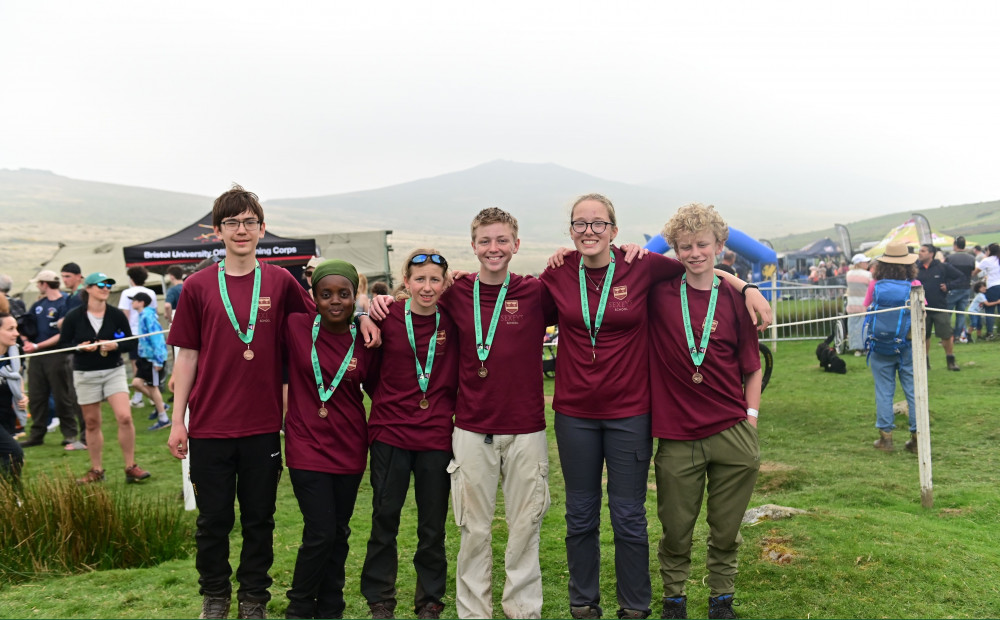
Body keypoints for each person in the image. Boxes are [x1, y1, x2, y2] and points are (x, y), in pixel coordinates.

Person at [539, 195, 769, 620]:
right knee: (585, 514)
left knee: (633, 516)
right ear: (571, 230)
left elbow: (703, 269)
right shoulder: (563, 272)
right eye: (580, 224)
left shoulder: (642, 267)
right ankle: (596, 602)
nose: (590, 231)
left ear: (614, 228)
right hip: (589, 416)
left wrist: (748, 287)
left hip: (635, 414)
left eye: (599, 223)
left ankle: (642, 605)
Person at [166, 185, 376, 620]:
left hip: (263, 425)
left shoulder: (279, 281)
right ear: (216, 231)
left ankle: (254, 598)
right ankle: (215, 595)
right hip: (208, 425)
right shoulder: (198, 286)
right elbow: (186, 356)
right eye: (231, 223)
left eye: (248, 222)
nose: (240, 231)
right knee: (213, 521)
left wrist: (364, 313)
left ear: (262, 228)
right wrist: (177, 421)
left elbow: (325, 315)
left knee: (260, 520)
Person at [372, 207, 554, 619]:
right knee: (474, 528)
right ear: (473, 246)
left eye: (502, 240)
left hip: (527, 428)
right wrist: (376, 306)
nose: (494, 248)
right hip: (471, 429)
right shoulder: (455, 292)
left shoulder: (535, 291)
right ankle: (474, 612)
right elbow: (415, 299)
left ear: (516, 245)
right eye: (485, 241)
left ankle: (522, 610)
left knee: (526, 525)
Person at [648, 204, 762, 620]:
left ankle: (721, 600)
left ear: (719, 245)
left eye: (702, 244)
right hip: (678, 435)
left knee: (726, 530)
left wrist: (750, 419)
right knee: (676, 530)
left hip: (732, 431)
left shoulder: (735, 296)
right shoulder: (658, 291)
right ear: (674, 250)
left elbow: (752, 365)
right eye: (685, 246)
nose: (695, 253)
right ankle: (674, 600)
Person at [361, 250, 458, 620]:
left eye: (435, 279)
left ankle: (429, 600)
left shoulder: (454, 320)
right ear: (407, 281)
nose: (427, 287)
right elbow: (370, 372)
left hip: (435, 437)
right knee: (385, 517)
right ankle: (380, 598)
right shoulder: (385, 318)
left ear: (445, 283)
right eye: (420, 279)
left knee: (432, 526)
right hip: (390, 434)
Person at [283, 260, 380, 620]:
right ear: (314, 297)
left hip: (350, 447)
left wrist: (365, 318)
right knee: (320, 532)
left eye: (344, 294)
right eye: (326, 295)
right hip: (306, 446)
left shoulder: (368, 339)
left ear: (356, 295)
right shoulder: (295, 326)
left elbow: (380, 389)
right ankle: (298, 607)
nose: (335, 301)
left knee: (338, 532)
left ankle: (331, 608)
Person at [59, 272, 151, 485]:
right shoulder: (74, 316)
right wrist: (80, 348)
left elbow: (131, 342)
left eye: (109, 284)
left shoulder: (117, 315)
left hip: (113, 371)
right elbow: (64, 346)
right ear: (88, 288)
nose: (106, 287)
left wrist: (116, 345)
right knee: (91, 423)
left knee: (125, 417)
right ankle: (97, 470)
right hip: (85, 373)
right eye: (100, 284)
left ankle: (130, 466)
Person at [862, 242, 919, 453]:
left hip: (880, 346)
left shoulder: (875, 285)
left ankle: (885, 439)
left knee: (884, 392)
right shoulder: (915, 284)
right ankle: (916, 439)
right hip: (907, 345)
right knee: (913, 392)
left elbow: (866, 309)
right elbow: (923, 312)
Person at [19, 269, 85, 448]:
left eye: (39, 284)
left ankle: (70, 433)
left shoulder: (65, 302)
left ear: (44, 284)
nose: (38, 287)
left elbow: (63, 332)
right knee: (37, 395)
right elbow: (24, 324)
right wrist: (26, 341)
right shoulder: (39, 304)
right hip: (37, 356)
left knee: (62, 395)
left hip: (57, 355)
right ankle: (37, 434)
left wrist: (38, 346)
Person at [915, 244, 966, 371]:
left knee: (946, 335)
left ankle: (951, 361)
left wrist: (949, 286)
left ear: (931, 254)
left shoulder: (942, 267)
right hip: (921, 309)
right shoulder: (915, 268)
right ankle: (924, 363)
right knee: (923, 336)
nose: (919, 253)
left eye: (923, 251)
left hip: (940, 307)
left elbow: (962, 278)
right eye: (919, 251)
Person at [129, 292, 170, 431]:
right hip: (144, 357)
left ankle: (164, 419)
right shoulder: (142, 316)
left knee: (153, 387)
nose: (132, 303)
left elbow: (157, 338)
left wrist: (158, 360)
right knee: (136, 383)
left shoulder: (148, 316)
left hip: (153, 359)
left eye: (134, 300)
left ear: (141, 302)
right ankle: (161, 405)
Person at [0, 312, 26, 482]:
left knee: (7, 459)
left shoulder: (14, 353)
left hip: (6, 415)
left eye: (16, 328)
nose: (16, 333)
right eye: (10, 329)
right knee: (14, 453)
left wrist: (23, 396)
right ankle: (14, 498)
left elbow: (17, 377)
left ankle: (10, 502)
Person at [945, 236, 976, 340]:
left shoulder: (950, 258)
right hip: (966, 288)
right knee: (961, 313)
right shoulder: (971, 258)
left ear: (955, 245)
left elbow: (946, 272)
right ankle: (958, 336)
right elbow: (972, 271)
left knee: (948, 313)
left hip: (953, 288)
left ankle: (948, 336)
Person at [971, 243, 1000, 340]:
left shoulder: (987, 260)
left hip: (992, 287)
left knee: (989, 311)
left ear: (989, 251)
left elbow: (975, 272)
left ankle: (990, 333)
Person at [845, 253, 873, 354]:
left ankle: (856, 348)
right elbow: (871, 289)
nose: (867, 264)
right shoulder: (868, 275)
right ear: (860, 263)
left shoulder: (849, 274)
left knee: (853, 327)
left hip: (852, 304)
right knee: (864, 327)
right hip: (864, 305)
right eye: (865, 262)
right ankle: (865, 347)